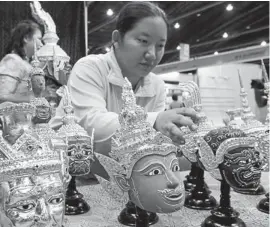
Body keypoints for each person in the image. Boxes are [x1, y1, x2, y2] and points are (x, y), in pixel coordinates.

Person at [49, 2, 198, 158]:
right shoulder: (90, 68)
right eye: (143, 41)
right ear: (117, 38)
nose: (152, 55)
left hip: (122, 175)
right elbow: (91, 126)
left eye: (160, 45)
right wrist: (154, 122)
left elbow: (151, 143)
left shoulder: (156, 85)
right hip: (69, 174)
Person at [0, 20, 43, 104]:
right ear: (26, 38)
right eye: (39, 39)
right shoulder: (12, 60)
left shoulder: (26, 64)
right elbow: (2, 97)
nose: (41, 44)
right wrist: (37, 99)